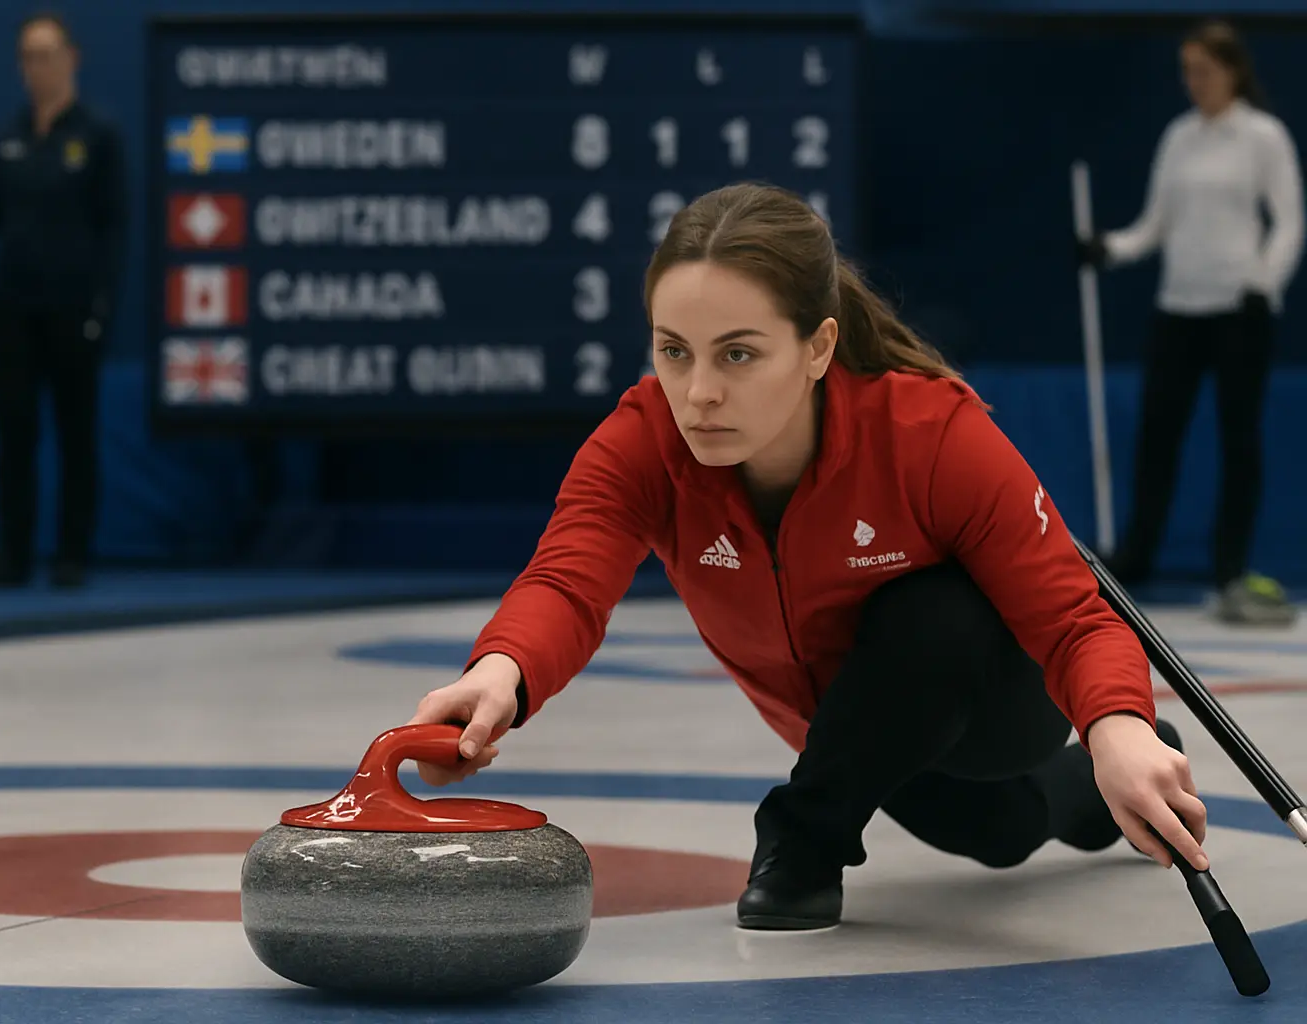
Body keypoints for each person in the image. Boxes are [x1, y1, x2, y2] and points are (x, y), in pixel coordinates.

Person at [400, 182, 1208, 932]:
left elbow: (1072, 618)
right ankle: (1107, 789)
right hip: (847, 731)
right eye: (674, 351)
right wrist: (500, 669)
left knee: (931, 612)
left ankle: (803, 844)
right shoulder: (643, 442)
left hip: (997, 690)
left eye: (738, 354)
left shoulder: (932, 436)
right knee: (998, 834)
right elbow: (567, 582)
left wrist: (1116, 724)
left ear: (819, 347)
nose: (700, 391)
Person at [1079, 19, 1302, 625]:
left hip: (1240, 311)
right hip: (1179, 305)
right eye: (1187, 71)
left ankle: (1228, 565)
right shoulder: (1180, 136)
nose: (1193, 82)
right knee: (1158, 434)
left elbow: (1289, 222)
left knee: (1238, 439)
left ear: (1232, 70)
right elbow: (1157, 223)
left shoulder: (1264, 137)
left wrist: (1263, 282)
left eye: (1203, 70)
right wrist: (1112, 248)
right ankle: (1139, 553)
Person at [0, 11, 127, 589]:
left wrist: (102, 307)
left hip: (72, 311)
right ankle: (13, 556)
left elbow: (114, 230)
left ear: (72, 58)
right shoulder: (7, 138)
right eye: (28, 57)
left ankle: (71, 554)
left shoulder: (98, 136)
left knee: (75, 436)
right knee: (14, 437)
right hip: (11, 312)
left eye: (47, 54)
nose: (37, 67)